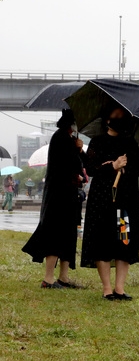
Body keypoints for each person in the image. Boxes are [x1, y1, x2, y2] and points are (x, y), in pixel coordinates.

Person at [80, 106, 139, 301]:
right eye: (114, 113)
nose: (119, 117)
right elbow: (90, 169)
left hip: (125, 203)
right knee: (103, 243)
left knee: (124, 243)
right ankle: (107, 289)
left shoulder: (130, 142)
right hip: (102, 203)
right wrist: (112, 166)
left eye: (121, 114)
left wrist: (126, 168)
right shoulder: (97, 142)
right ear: (107, 118)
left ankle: (120, 288)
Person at [22, 110, 86, 289]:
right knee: (55, 234)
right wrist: (77, 150)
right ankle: (48, 278)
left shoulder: (68, 139)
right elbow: (71, 166)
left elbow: (79, 165)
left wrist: (79, 149)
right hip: (60, 196)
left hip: (68, 195)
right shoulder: (61, 139)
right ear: (70, 123)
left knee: (68, 235)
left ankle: (63, 277)